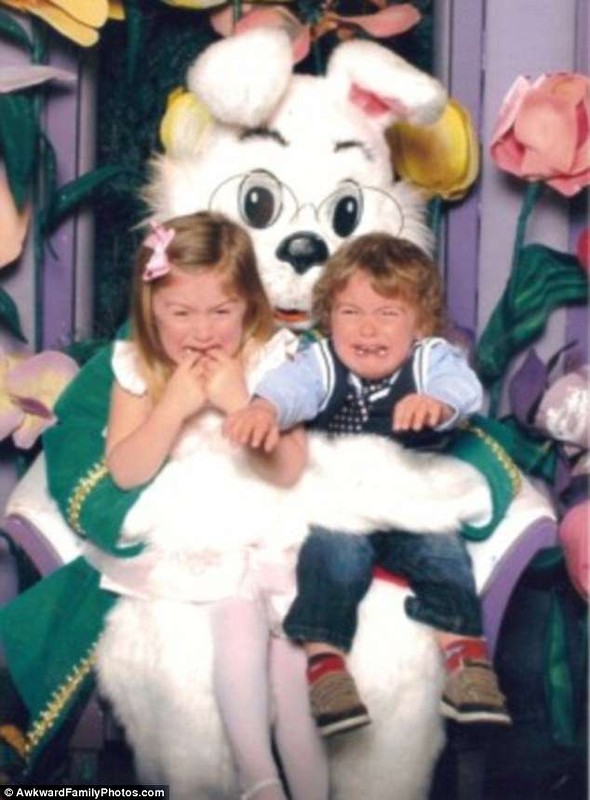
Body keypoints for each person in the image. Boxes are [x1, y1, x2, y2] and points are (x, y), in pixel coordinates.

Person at [224, 233, 512, 738]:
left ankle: (465, 661)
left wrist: (438, 403)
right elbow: (293, 388)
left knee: (444, 554)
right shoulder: (321, 362)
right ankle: (326, 667)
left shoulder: (430, 360)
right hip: (345, 503)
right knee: (332, 555)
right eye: (350, 312)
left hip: (410, 501)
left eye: (387, 313)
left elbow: (464, 388)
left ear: (419, 324)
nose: (367, 328)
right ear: (328, 317)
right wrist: (266, 409)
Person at [104, 211, 328, 800]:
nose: (202, 331)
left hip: (275, 523)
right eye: (181, 313)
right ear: (151, 309)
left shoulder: (273, 360)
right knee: (236, 616)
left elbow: (289, 468)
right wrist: (173, 408)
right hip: (203, 531)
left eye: (221, 312)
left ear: (250, 306)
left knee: (295, 660)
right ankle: (260, 779)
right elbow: (125, 471)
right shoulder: (139, 365)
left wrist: (240, 404)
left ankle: (312, 789)